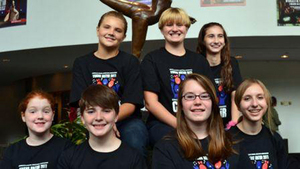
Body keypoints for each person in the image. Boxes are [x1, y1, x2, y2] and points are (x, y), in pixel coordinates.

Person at [69, 11, 148, 157]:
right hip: (95, 120)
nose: (111, 33)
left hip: (126, 120)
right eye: (107, 27)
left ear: (123, 37)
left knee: (135, 137)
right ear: (98, 30)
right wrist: (102, 122)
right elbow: (81, 101)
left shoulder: (130, 62)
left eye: (117, 30)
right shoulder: (82, 63)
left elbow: (131, 103)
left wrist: (111, 122)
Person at [141, 7, 215, 147]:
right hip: (163, 124)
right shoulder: (152, 60)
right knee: (176, 142)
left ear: (186, 28)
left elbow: (211, 97)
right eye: (169, 25)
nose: (175, 29)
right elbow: (151, 103)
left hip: (198, 121)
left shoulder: (199, 61)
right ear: (162, 29)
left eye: (180, 25)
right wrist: (182, 126)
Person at [152, 73, 253, 169]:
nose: (197, 102)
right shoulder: (165, 148)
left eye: (204, 96)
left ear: (213, 103)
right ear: (181, 105)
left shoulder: (232, 143)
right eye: (190, 96)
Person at [58, 85, 147, 168]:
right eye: (91, 111)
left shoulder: (134, 158)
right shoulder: (69, 158)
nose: (99, 117)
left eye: (106, 111)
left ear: (116, 116)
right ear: (82, 118)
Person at [0, 90, 71, 169]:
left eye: (46, 111)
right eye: (33, 111)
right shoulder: (12, 152)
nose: (40, 116)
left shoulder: (67, 148)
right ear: (23, 116)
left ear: (53, 115)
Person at [229, 79, 288, 169]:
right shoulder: (226, 140)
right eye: (247, 98)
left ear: (267, 103)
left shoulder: (275, 139)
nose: (255, 104)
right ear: (238, 106)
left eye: (260, 97)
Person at [197, 22, 242, 129]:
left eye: (220, 36)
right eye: (211, 36)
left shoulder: (232, 63)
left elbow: (235, 95)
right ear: (203, 40)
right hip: (204, 125)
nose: (216, 41)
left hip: (227, 124)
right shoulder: (196, 63)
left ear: (224, 41)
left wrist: (233, 125)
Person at [99, 0, 172, 57]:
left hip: (153, 8)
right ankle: (135, 57)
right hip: (144, 6)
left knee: (140, 15)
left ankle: (135, 58)